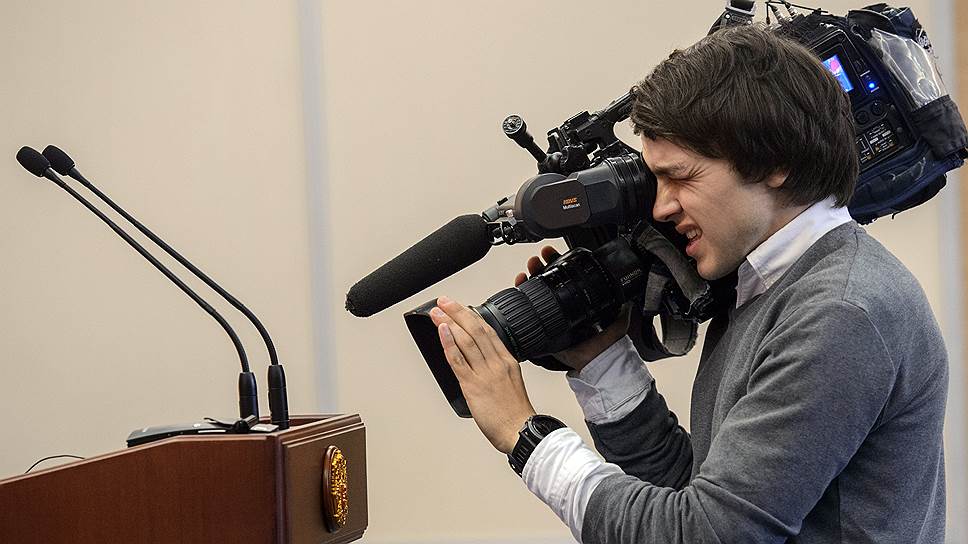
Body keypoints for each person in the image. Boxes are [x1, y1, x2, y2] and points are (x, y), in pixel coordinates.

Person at [428, 25, 947, 543]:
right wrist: (601, 360)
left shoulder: (840, 312)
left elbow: (704, 533)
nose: (660, 207)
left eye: (680, 178)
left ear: (775, 164)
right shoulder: (768, 286)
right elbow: (692, 493)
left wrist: (525, 436)